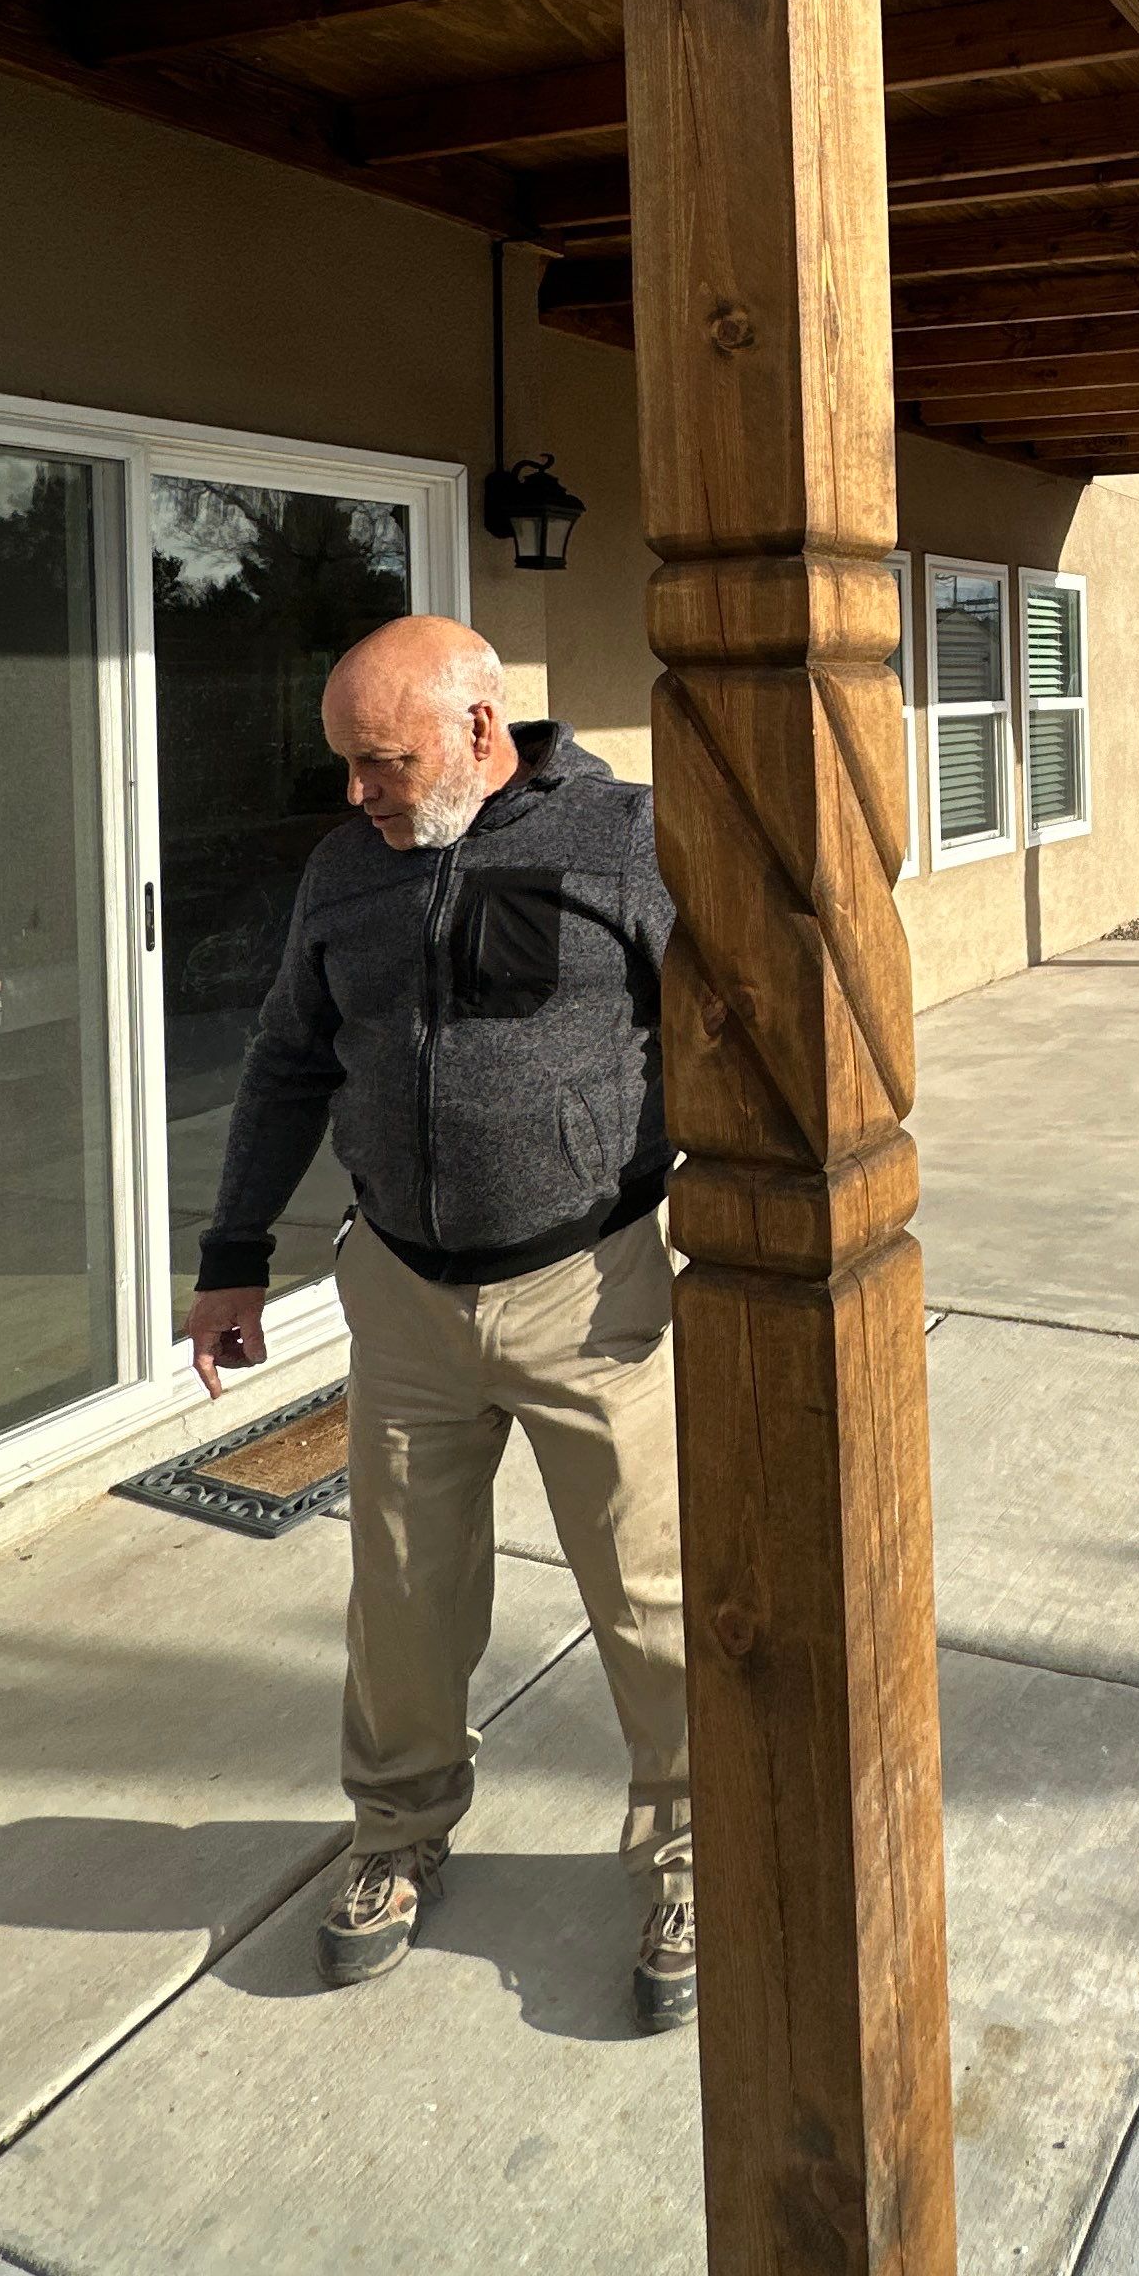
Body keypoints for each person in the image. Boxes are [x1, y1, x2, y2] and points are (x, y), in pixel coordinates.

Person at [188, 616, 693, 2034]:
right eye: (348, 761)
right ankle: (399, 1829)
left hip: (587, 1288)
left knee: (653, 1590)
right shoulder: (346, 870)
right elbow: (290, 1057)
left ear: (478, 730)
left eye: (382, 760)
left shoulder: (626, 840)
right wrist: (234, 1257)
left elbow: (735, 1019)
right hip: (403, 1293)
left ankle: (688, 1841)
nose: (358, 789)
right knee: (401, 1601)